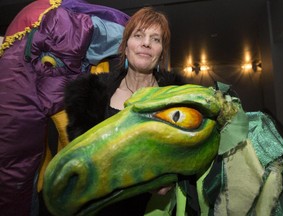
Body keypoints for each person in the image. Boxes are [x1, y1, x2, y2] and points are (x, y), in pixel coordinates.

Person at [63, 7, 192, 216]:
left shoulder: (179, 100)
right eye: (138, 35)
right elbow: (82, 161)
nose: (146, 43)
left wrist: (172, 175)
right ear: (125, 45)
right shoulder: (89, 97)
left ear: (161, 52)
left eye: (155, 39)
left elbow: (189, 155)